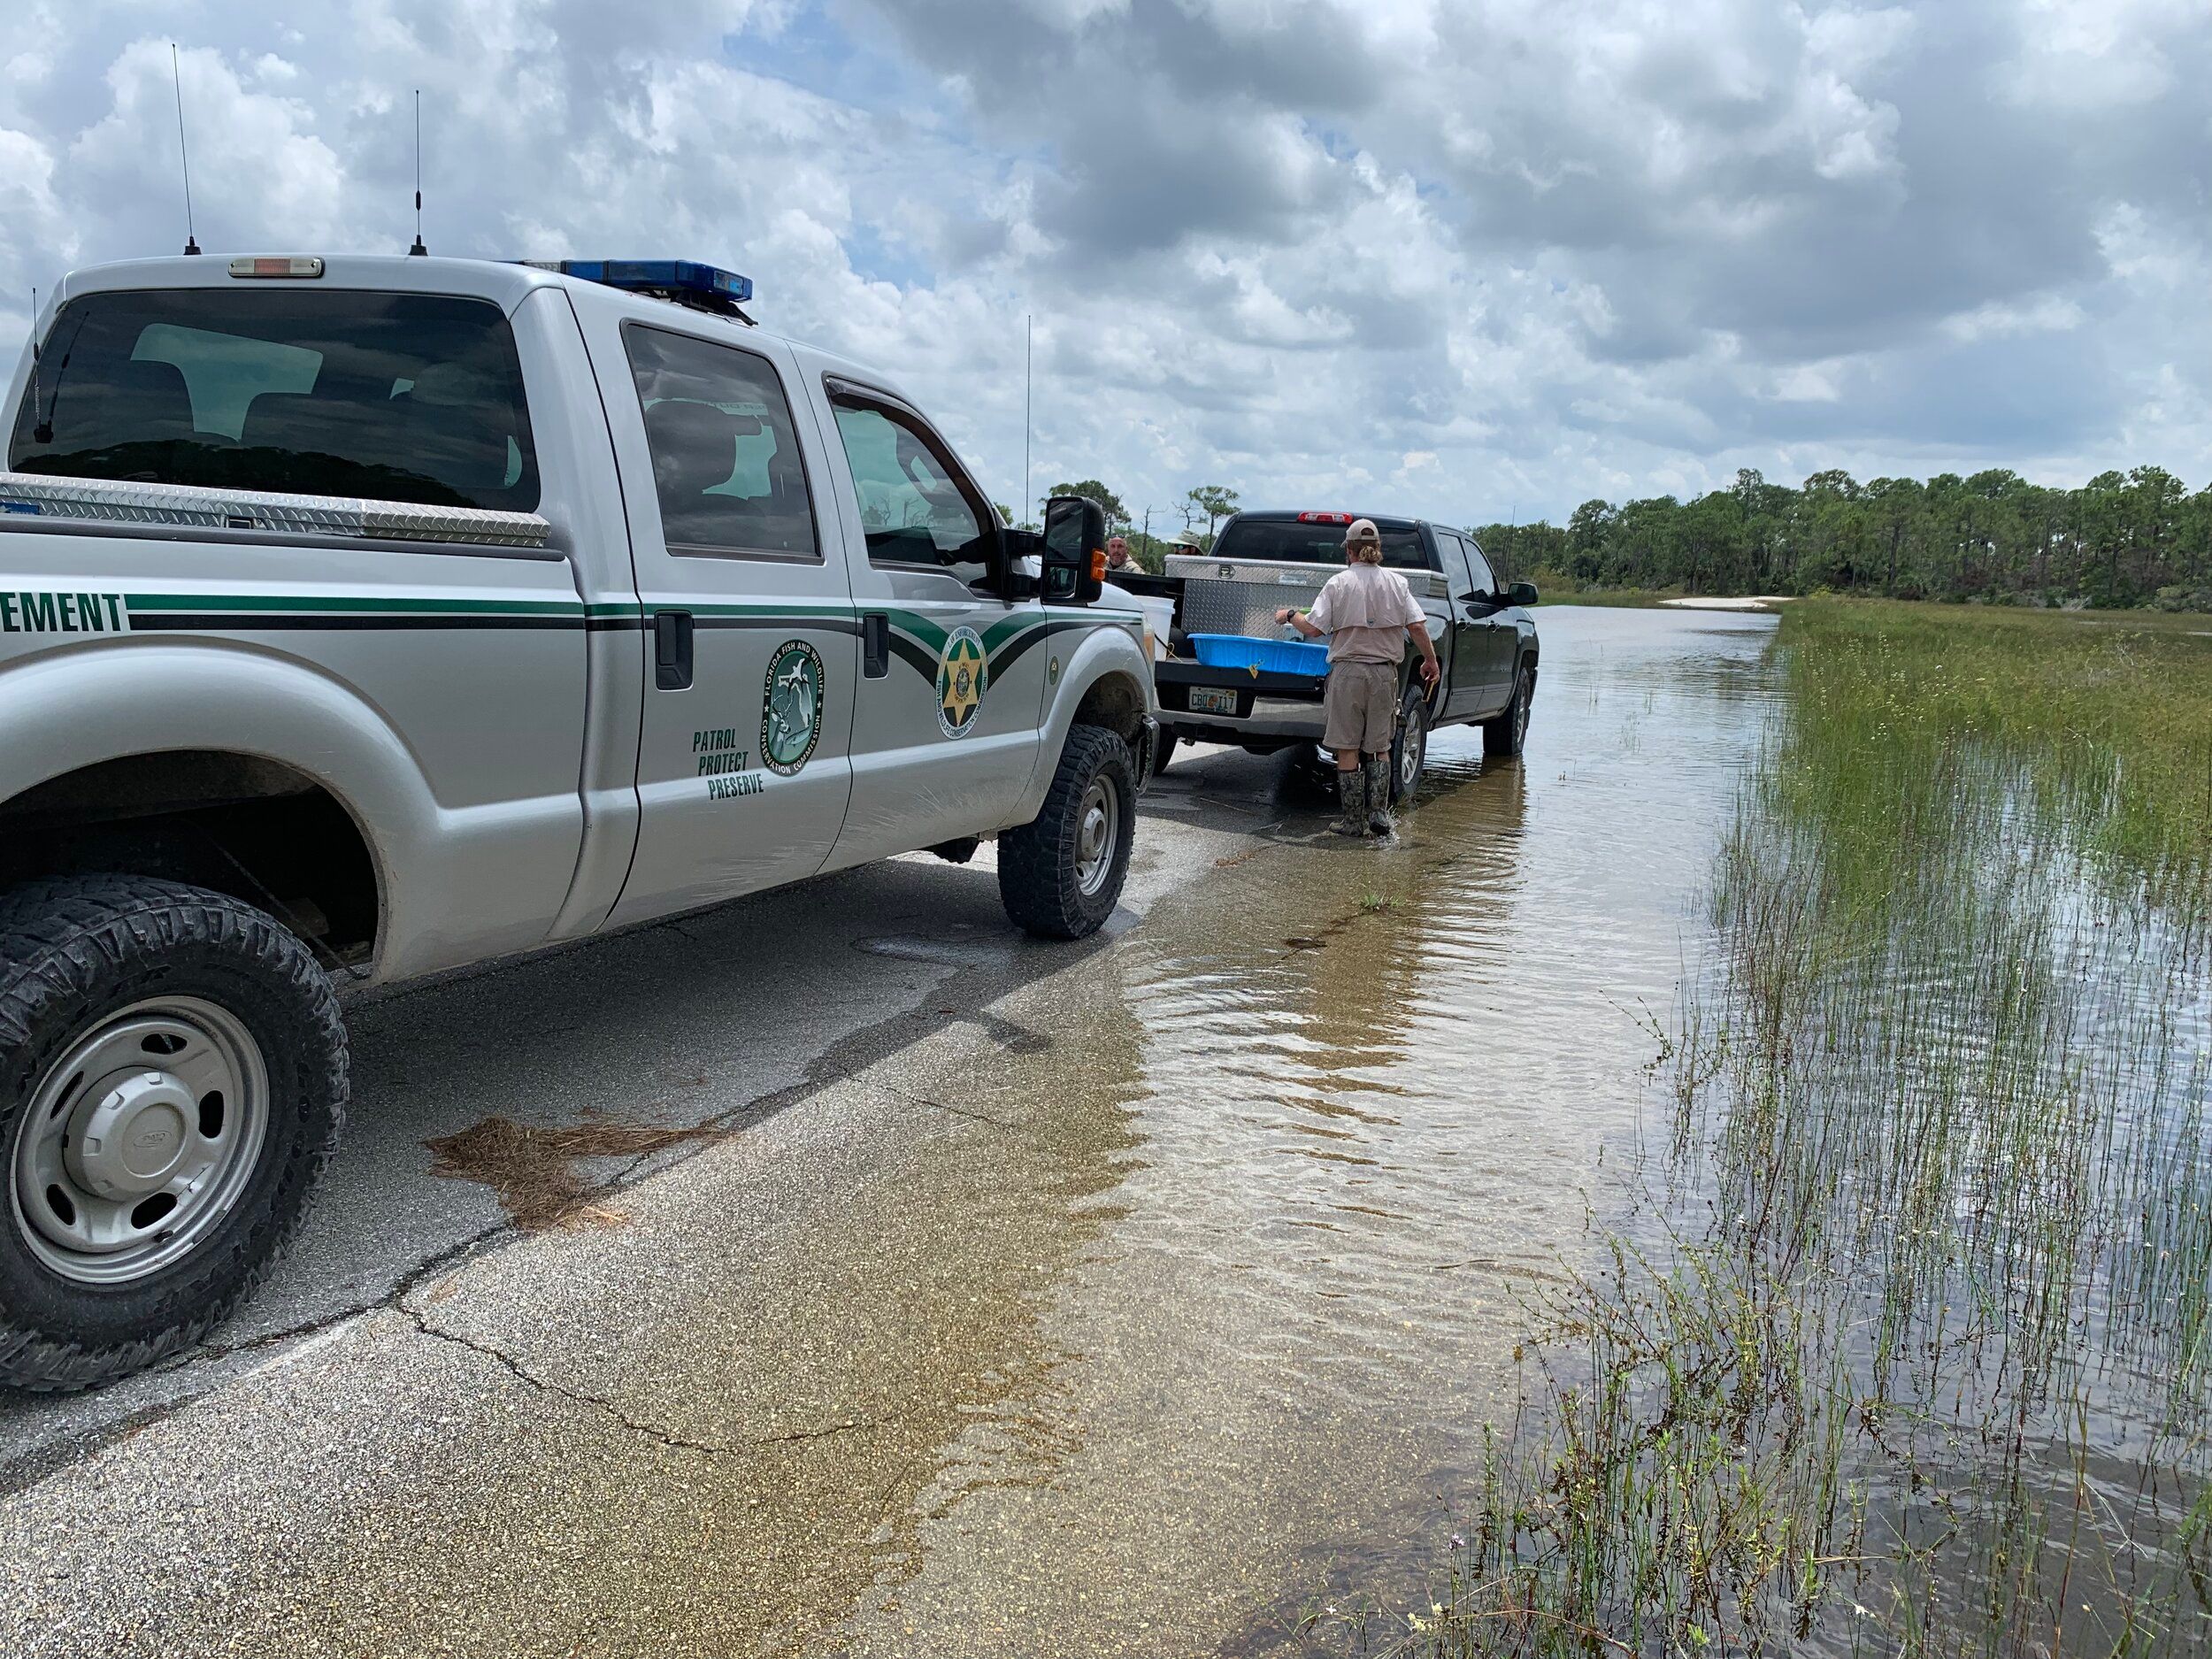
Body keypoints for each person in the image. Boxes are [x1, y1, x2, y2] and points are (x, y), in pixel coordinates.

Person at [1275, 518, 1440, 836]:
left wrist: (1290, 615)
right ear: (1378, 549)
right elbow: (1417, 626)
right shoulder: (1397, 583)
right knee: (1380, 745)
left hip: (1348, 673)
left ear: (1348, 550)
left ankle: (1352, 822)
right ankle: (1378, 814)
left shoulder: (1338, 584)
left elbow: (1313, 628)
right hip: (1384, 675)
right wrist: (1430, 660)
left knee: (1347, 747)